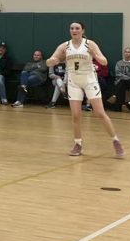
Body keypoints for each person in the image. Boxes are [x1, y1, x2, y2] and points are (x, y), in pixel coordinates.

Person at [45, 22, 124, 158]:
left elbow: (104, 61)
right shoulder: (65, 46)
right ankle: (78, 144)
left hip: (89, 80)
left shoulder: (90, 44)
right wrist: (53, 60)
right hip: (74, 82)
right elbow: (49, 61)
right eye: (72, 28)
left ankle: (115, 140)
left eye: (77, 28)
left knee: (99, 113)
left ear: (82, 30)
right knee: (76, 115)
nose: (74, 30)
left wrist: (95, 55)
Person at [108, 47, 130, 112]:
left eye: (128, 52)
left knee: (121, 83)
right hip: (120, 83)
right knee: (121, 85)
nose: (126, 53)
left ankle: (114, 96)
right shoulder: (119, 63)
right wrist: (124, 77)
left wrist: (123, 77)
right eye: (125, 52)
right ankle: (122, 106)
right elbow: (117, 73)